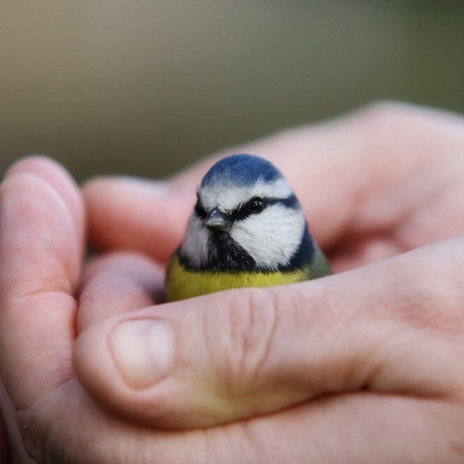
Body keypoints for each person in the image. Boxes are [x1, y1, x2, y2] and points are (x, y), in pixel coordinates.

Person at [1, 101, 464, 463]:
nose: (216, 221)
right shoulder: (178, 273)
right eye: (204, 212)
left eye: (251, 209)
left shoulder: (317, 280)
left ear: (290, 214)